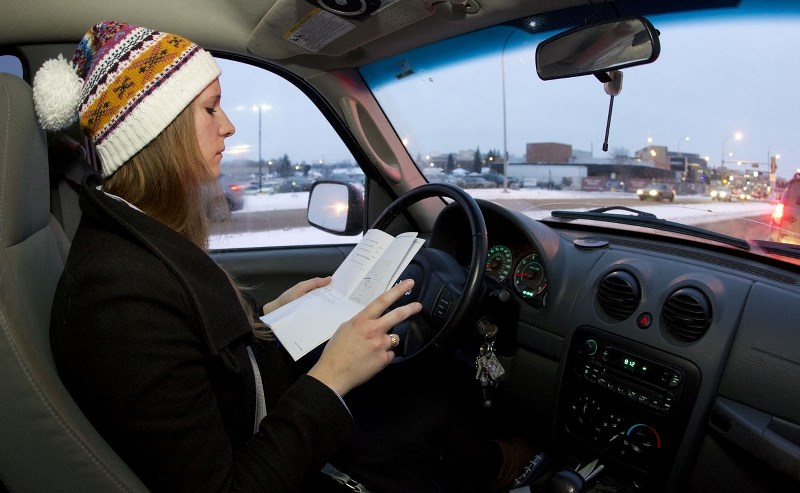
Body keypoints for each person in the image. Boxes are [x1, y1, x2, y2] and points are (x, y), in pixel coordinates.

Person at [36, 21, 537, 493]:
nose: (229, 126)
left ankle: (492, 462)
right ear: (159, 132)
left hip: (255, 414)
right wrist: (332, 375)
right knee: (419, 412)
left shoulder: (135, 237)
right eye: (210, 109)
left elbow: (199, 357)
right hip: (258, 453)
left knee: (420, 398)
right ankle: (505, 467)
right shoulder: (117, 299)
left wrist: (271, 319)